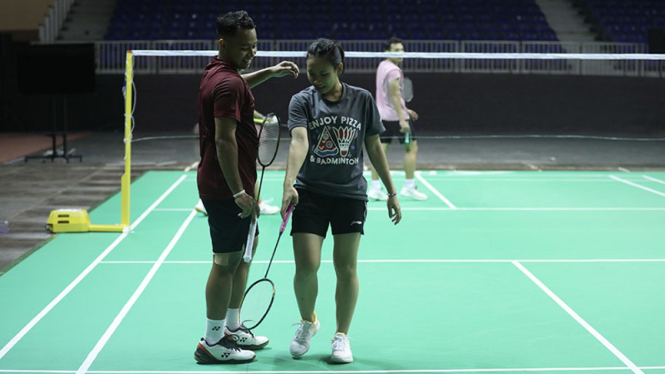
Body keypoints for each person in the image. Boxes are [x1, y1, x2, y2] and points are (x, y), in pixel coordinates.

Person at [281, 38, 402, 364]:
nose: (316, 79)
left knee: (346, 267)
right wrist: (288, 183)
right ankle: (308, 322)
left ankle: (341, 336)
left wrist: (391, 192)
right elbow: (299, 141)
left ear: (339, 69)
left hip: (350, 195)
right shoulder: (301, 101)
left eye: (322, 73)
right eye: (310, 73)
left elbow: (374, 146)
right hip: (311, 193)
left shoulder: (361, 100)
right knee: (307, 265)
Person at [194, 10, 299, 364]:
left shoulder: (218, 72)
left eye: (254, 47)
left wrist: (268, 72)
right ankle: (212, 341)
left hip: (230, 180)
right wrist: (240, 191)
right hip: (226, 186)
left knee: (243, 251)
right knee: (225, 262)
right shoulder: (227, 82)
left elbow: (238, 85)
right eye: (244, 48)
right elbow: (225, 141)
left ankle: (231, 326)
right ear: (224, 43)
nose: (250, 53)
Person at [368, 37, 427, 201]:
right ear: (387, 52)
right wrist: (403, 118)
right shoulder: (394, 70)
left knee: (378, 153)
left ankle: (374, 188)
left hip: (382, 116)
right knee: (412, 149)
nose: (400, 52)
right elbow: (394, 94)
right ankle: (409, 187)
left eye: (401, 49)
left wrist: (404, 108)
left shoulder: (382, 66)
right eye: (396, 50)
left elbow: (386, 95)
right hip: (395, 118)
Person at [195, 110, 280, 216]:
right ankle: (258, 203)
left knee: (223, 168)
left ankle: (203, 202)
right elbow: (237, 107)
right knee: (244, 170)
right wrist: (263, 118)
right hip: (232, 137)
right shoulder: (231, 95)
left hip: (220, 136)